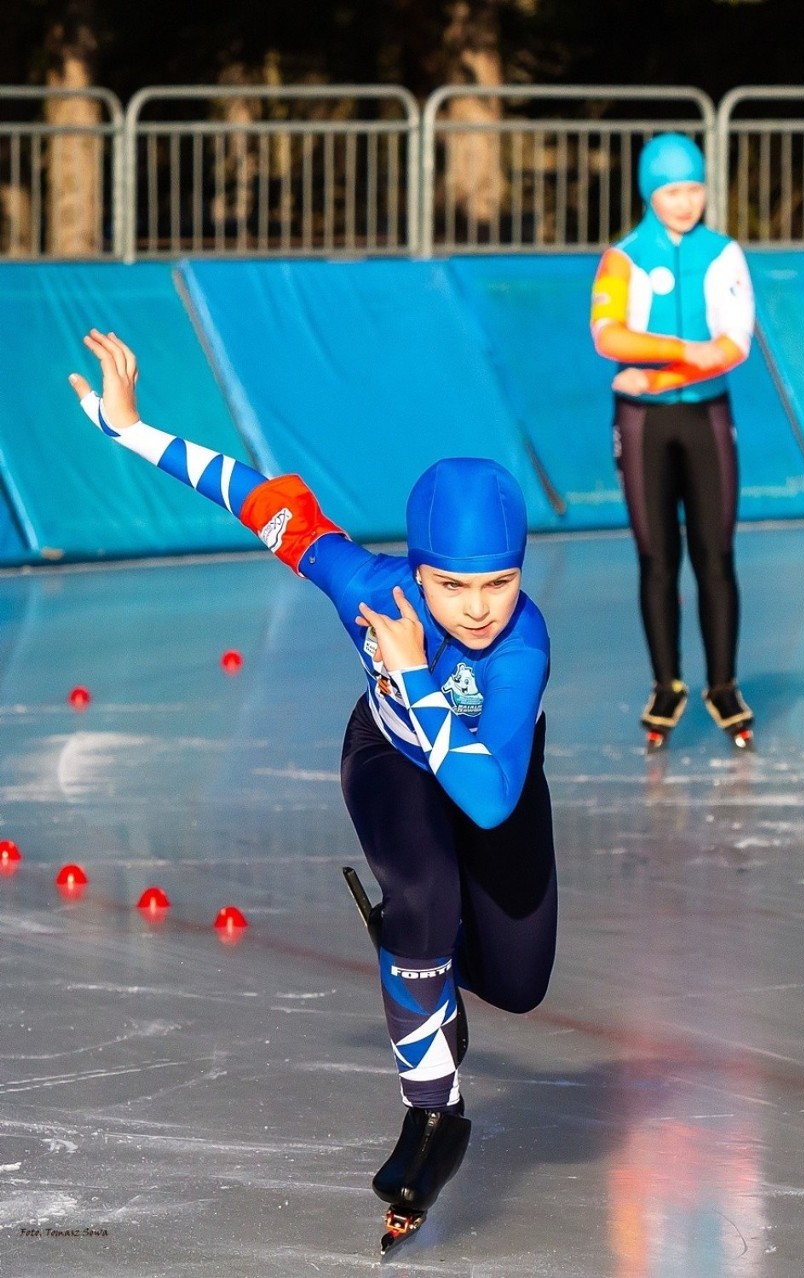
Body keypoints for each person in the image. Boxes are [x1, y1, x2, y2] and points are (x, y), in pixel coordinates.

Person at [69, 330, 558, 1252]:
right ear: (415, 568)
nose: (482, 607)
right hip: (392, 761)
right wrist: (129, 428)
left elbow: (492, 800)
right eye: (454, 585)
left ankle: (424, 963)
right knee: (423, 895)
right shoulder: (358, 578)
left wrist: (416, 672)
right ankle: (433, 1114)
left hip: (491, 778)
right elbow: (250, 495)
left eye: (500, 581)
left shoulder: (523, 646)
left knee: (521, 987)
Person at [590, 132, 756, 748]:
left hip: (704, 416)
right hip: (643, 424)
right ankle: (667, 684)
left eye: (695, 188)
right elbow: (608, 337)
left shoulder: (724, 253)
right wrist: (690, 352)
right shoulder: (624, 257)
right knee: (657, 558)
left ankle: (723, 685)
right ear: (649, 193)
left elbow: (733, 345)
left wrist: (658, 368)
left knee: (716, 554)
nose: (686, 202)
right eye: (672, 191)